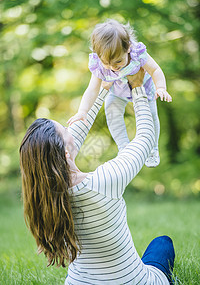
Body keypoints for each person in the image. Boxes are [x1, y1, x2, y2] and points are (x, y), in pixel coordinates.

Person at [20, 69, 175, 284]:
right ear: (66, 153)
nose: (71, 130)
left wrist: (102, 90)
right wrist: (138, 88)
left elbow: (76, 131)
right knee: (162, 244)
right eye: (66, 130)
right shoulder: (104, 181)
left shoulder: (43, 199)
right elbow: (146, 138)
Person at [67, 19, 172, 168]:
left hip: (145, 90)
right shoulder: (99, 64)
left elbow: (155, 70)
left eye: (118, 62)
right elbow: (92, 89)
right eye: (107, 63)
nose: (112, 67)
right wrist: (82, 111)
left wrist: (161, 87)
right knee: (111, 110)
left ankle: (153, 148)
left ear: (128, 48)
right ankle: (124, 147)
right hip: (118, 92)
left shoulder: (137, 53)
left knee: (152, 116)